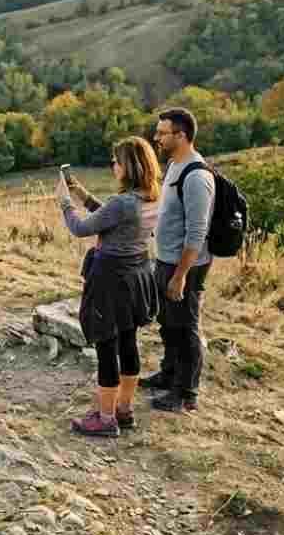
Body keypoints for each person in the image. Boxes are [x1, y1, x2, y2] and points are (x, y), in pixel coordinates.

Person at [58, 138, 162, 437]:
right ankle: (124, 409)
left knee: (106, 346)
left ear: (128, 166)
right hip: (137, 274)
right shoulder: (150, 196)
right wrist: (82, 193)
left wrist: (65, 201)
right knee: (128, 342)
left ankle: (104, 419)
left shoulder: (124, 202)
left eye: (116, 161)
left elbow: (80, 228)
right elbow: (114, 218)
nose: (113, 166)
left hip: (110, 280)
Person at [142, 108, 215, 414]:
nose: (156, 138)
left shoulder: (197, 176)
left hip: (186, 266)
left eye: (162, 133)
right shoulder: (174, 165)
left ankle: (186, 393)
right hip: (166, 260)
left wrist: (181, 275)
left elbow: (197, 233)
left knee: (186, 327)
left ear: (181, 135)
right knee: (168, 323)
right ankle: (169, 373)